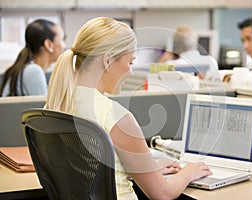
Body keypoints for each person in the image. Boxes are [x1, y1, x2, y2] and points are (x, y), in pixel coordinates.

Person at [45, 17, 211, 200]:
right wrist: (189, 172)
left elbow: (88, 171)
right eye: (130, 62)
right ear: (108, 61)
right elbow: (162, 194)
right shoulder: (115, 116)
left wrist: (144, 169)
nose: (131, 72)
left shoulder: (58, 103)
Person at [0, 19, 65, 96]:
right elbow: (45, 107)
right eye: (62, 39)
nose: (64, 45)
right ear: (48, 45)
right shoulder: (33, 70)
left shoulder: (27, 68)